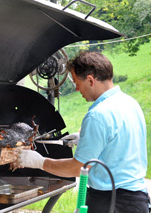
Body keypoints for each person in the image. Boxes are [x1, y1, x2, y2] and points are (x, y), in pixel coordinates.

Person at [17, 51, 149, 213]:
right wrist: (86, 139)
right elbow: (120, 140)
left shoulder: (98, 115)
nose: (77, 89)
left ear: (90, 80)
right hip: (137, 200)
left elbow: (78, 168)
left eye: (76, 83)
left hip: (111, 202)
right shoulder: (129, 103)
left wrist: (40, 162)